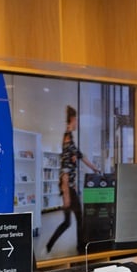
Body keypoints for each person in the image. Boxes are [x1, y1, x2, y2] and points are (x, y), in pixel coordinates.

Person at [46, 105, 100, 255]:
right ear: (72, 119)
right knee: (79, 218)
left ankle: (50, 245)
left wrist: (94, 168)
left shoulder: (69, 138)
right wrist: (66, 195)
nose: (77, 123)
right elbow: (64, 169)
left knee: (68, 222)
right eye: (76, 120)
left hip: (69, 187)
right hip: (67, 188)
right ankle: (81, 247)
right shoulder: (67, 139)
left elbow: (81, 157)